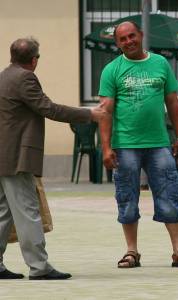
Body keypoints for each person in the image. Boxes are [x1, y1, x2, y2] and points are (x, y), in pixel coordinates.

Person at [98, 21, 178, 269]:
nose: (128, 42)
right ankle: (131, 251)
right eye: (122, 39)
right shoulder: (111, 70)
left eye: (132, 36)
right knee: (127, 197)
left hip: (159, 144)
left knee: (170, 194)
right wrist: (105, 147)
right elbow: (105, 112)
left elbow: (173, 102)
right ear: (117, 43)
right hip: (125, 145)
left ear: (141, 35)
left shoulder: (160, 63)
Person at [0, 37, 105, 280]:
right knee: (27, 211)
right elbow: (49, 108)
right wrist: (90, 114)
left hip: (3, 155)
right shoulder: (25, 78)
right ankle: (39, 267)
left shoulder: (3, 76)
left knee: (3, 212)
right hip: (17, 157)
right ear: (34, 59)